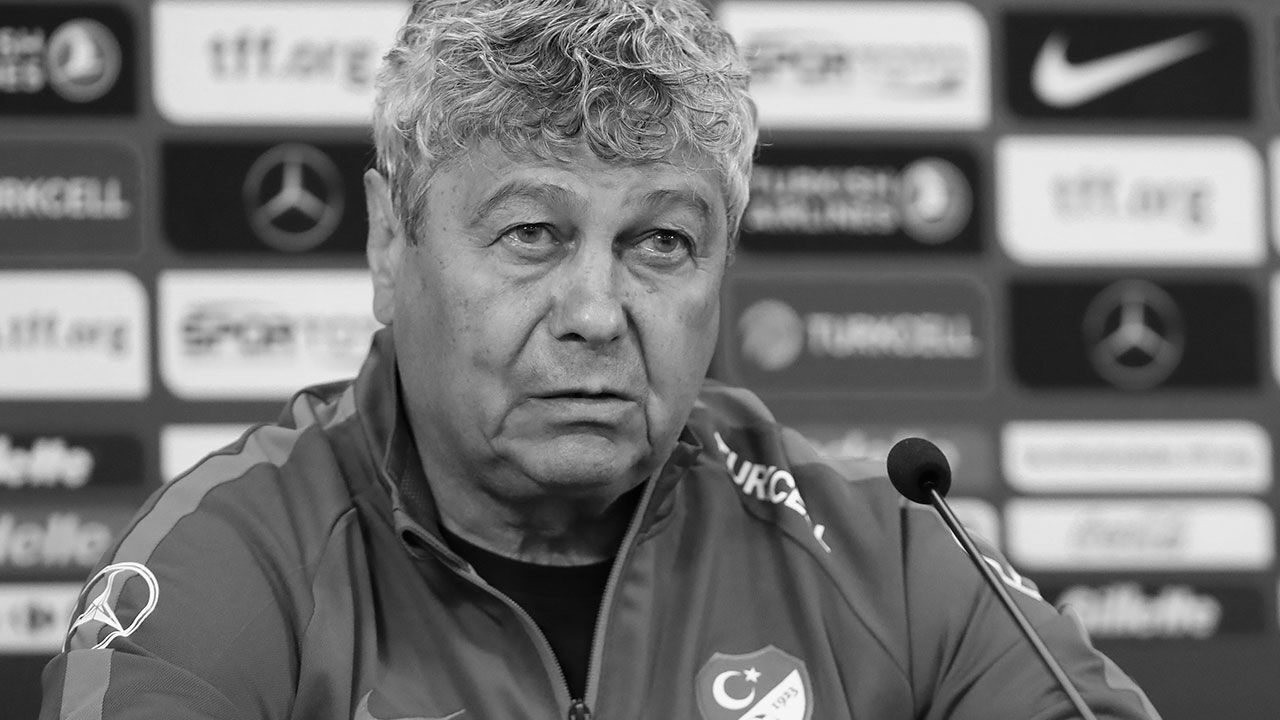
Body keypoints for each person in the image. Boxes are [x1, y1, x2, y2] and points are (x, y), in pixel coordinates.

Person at [41, 1, 1161, 718]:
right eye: (532, 233)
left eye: (659, 243)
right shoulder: (230, 561)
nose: (594, 313)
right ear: (389, 243)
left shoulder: (888, 558)